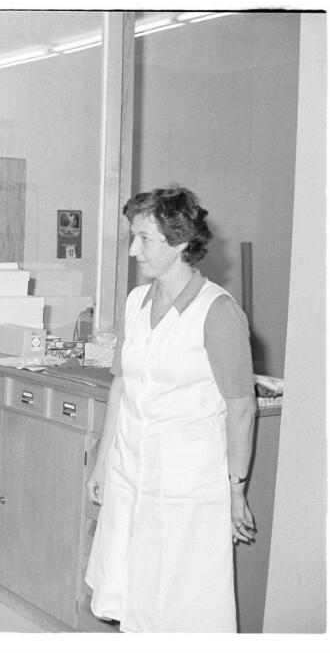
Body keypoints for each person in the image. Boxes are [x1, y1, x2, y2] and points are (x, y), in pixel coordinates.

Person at [84, 184, 257, 632]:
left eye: (144, 239)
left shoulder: (217, 312)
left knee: (179, 605)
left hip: (186, 483)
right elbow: (122, 385)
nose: (133, 250)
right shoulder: (136, 302)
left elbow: (241, 408)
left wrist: (236, 489)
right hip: (130, 471)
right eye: (133, 237)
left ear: (179, 242)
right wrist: (102, 461)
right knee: (132, 591)